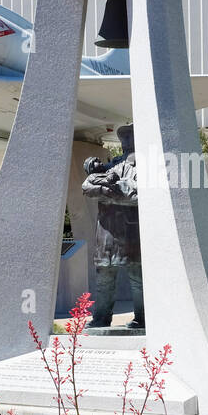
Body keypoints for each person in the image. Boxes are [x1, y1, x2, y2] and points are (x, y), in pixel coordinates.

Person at [81, 124, 143, 329]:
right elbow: (87, 186)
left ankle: (143, 319)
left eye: (130, 139)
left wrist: (111, 191)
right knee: (103, 280)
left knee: (137, 279)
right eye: (124, 140)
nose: (126, 144)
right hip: (106, 233)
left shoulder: (144, 166)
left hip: (130, 232)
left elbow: (136, 195)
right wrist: (106, 189)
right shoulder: (113, 165)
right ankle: (100, 318)